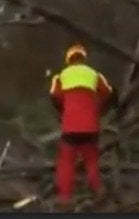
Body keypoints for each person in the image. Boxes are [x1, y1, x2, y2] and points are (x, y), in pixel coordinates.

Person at [49, 43, 115, 209]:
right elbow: (108, 92)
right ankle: (98, 190)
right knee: (91, 161)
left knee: (66, 162)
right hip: (91, 126)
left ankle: (65, 199)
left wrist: (63, 109)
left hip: (70, 126)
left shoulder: (61, 76)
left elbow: (54, 96)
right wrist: (99, 108)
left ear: (68, 60)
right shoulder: (94, 74)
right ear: (83, 58)